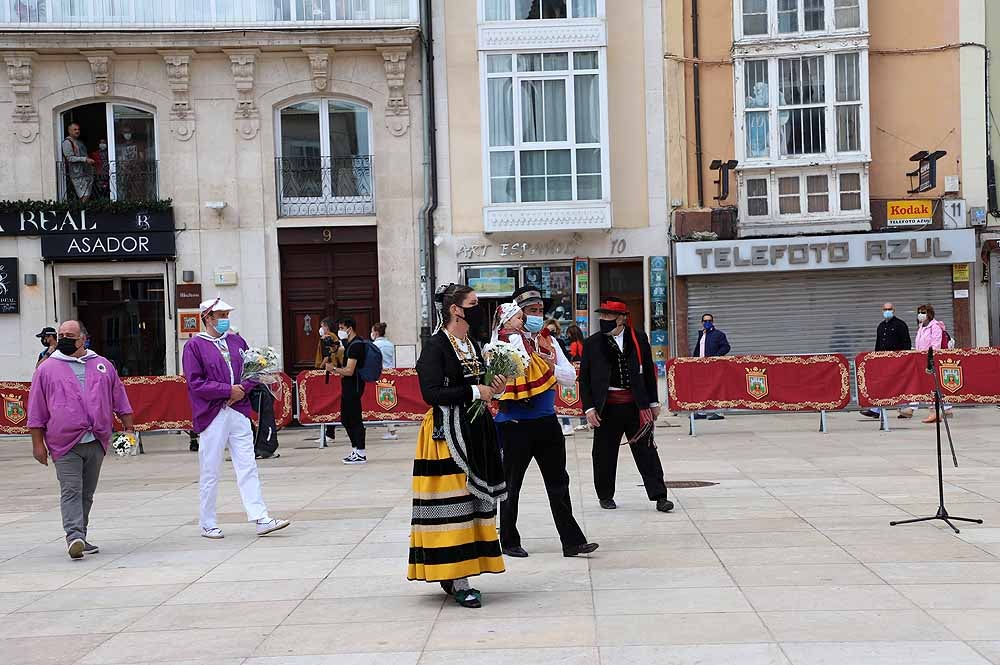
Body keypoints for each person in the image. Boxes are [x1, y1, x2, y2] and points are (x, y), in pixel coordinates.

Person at [407, 283, 508, 608]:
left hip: (475, 430)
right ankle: (457, 578)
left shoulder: (472, 344)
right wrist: (476, 392)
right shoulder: (436, 346)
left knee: (474, 504)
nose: (480, 309)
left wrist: (496, 388)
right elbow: (431, 393)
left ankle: (461, 572)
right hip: (445, 436)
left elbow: (481, 386)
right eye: (474, 303)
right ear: (455, 309)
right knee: (454, 507)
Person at [495, 287, 598, 559]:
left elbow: (568, 376)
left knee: (558, 482)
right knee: (511, 484)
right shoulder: (501, 340)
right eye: (530, 312)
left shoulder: (548, 341)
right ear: (516, 314)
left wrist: (547, 365)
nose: (536, 316)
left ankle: (572, 541)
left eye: (540, 311)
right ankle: (508, 539)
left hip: (546, 421)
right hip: (513, 422)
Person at [182, 297, 290, 539]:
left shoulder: (236, 340)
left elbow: (253, 369)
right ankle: (207, 522)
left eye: (226, 315)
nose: (225, 320)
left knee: (248, 465)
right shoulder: (194, 346)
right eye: (220, 315)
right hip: (213, 413)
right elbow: (195, 382)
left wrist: (242, 388)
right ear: (207, 317)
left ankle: (260, 517)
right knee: (210, 468)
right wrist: (226, 391)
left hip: (238, 410)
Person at [28, 320, 134, 559]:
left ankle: (81, 536)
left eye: (70, 335)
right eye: (61, 334)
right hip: (64, 442)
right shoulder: (46, 369)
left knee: (87, 492)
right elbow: (36, 408)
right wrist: (37, 444)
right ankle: (73, 535)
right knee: (71, 489)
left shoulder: (103, 365)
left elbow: (119, 396)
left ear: (83, 339)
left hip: (96, 439)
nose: (64, 338)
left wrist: (128, 428)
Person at [579, 297, 673, 513]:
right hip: (607, 408)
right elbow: (584, 379)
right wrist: (589, 408)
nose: (603, 319)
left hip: (636, 406)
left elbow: (648, 371)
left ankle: (659, 496)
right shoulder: (593, 343)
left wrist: (653, 402)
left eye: (608, 316)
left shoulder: (638, 339)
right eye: (601, 315)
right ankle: (605, 495)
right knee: (603, 454)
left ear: (621, 318)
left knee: (647, 450)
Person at [327, 317, 367, 464]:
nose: (340, 331)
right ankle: (356, 449)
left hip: (354, 386)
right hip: (348, 386)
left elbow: (350, 370)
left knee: (355, 419)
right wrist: (334, 349)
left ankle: (361, 452)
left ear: (350, 328)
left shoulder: (356, 346)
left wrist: (334, 369)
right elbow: (342, 351)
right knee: (346, 419)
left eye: (342, 328)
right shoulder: (350, 344)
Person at [861, 303, 911, 420]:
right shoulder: (881, 326)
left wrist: (904, 359)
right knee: (881, 385)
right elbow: (878, 344)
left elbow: (906, 343)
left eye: (889, 309)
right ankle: (876, 410)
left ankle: (905, 410)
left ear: (894, 310)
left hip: (897, 361)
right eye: (885, 309)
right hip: (883, 362)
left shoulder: (900, 325)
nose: (887, 311)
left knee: (900, 385)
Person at [908, 303, 953, 424]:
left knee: (931, 386)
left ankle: (934, 412)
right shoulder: (921, 326)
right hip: (921, 359)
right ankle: (941, 410)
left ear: (929, 314)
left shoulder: (935, 327)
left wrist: (929, 358)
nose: (921, 315)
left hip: (931, 360)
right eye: (919, 312)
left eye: (923, 312)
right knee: (927, 386)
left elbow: (935, 345)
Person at [692, 312, 731, 421]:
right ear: (702, 323)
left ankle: (719, 412)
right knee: (703, 388)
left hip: (714, 366)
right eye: (705, 321)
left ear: (713, 322)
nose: (707, 323)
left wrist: (716, 357)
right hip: (701, 366)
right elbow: (698, 350)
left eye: (709, 321)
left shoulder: (719, 334)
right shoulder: (702, 335)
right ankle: (702, 412)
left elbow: (726, 347)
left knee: (716, 388)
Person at [313, 318, 342, 444]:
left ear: (326, 326)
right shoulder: (334, 337)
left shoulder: (327, 338)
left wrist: (320, 367)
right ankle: (329, 432)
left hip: (328, 373)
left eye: (322, 326)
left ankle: (329, 433)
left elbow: (327, 355)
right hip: (332, 372)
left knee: (328, 402)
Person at [371, 322, 398, 440]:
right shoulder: (390, 344)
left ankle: (392, 431)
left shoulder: (375, 345)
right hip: (390, 373)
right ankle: (391, 429)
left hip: (380, 374)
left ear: (376, 332)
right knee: (389, 401)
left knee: (385, 402)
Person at [62, 122, 95, 202]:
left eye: (78, 129)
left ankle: (84, 212)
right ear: (69, 131)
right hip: (77, 174)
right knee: (84, 195)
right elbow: (70, 158)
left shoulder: (79, 142)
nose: (77, 131)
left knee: (87, 195)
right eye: (75, 129)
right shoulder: (67, 142)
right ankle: (82, 211)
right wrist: (85, 159)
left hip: (86, 172)